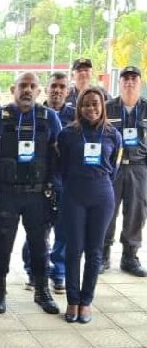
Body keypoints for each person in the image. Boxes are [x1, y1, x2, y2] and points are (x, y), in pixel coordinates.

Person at [0, 72, 61, 315]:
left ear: (38, 91)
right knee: (1, 244)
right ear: (13, 89)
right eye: (22, 85)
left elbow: (57, 149)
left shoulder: (49, 117)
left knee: (40, 245)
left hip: (38, 194)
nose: (27, 90)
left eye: (32, 86)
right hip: (7, 193)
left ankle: (42, 291)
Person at [58, 87, 121, 324]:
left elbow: (114, 168)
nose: (90, 108)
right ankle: (72, 300)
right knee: (74, 250)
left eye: (95, 103)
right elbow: (62, 166)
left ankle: (86, 301)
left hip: (102, 196)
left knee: (95, 251)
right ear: (79, 107)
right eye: (85, 104)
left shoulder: (113, 134)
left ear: (102, 106)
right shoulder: (68, 134)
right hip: (74, 195)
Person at [22, 72, 75, 292]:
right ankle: (32, 271)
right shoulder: (35, 113)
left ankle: (59, 273)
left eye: (62, 87)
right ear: (46, 89)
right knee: (37, 231)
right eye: (54, 86)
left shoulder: (76, 115)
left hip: (65, 181)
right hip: (39, 181)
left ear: (68, 91)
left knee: (63, 231)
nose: (57, 90)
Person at [103, 66, 147, 277]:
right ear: (119, 83)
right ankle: (102, 254)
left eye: (133, 79)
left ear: (140, 83)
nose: (129, 82)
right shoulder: (107, 108)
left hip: (139, 167)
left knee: (137, 213)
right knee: (107, 212)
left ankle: (130, 256)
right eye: (125, 79)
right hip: (113, 168)